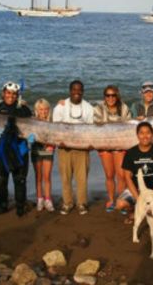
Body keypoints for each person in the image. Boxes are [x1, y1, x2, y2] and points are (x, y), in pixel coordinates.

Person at [0, 81, 32, 216]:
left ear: (17, 95)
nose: (11, 96)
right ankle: (3, 205)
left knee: (20, 179)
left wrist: (32, 136)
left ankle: (20, 206)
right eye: (8, 93)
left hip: (19, 149)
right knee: (0, 180)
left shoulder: (24, 110)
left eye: (14, 94)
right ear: (3, 93)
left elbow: (32, 127)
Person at [52, 80, 94, 215]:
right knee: (66, 177)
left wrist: (89, 144)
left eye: (79, 90)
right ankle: (67, 203)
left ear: (83, 91)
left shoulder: (88, 107)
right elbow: (55, 128)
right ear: (70, 91)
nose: (77, 92)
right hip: (64, 148)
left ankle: (82, 203)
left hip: (82, 149)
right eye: (74, 90)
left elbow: (91, 129)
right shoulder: (60, 107)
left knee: (82, 178)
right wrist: (60, 142)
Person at [117, 122, 153, 224]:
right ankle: (133, 212)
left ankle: (152, 213)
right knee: (120, 204)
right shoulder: (130, 153)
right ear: (137, 135)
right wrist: (139, 199)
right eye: (141, 133)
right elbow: (127, 178)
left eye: (148, 133)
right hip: (137, 189)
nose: (145, 136)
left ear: (152, 135)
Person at [94, 85, 132, 212]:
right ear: (104, 97)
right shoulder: (99, 108)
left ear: (117, 95)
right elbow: (96, 127)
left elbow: (129, 127)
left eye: (113, 95)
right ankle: (111, 199)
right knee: (109, 175)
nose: (110, 98)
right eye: (107, 95)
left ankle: (121, 199)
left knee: (121, 175)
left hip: (120, 145)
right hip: (105, 145)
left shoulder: (124, 108)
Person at [32, 98, 55, 212]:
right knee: (38, 177)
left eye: (45, 109)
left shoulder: (52, 122)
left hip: (47, 150)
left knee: (47, 176)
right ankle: (39, 199)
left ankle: (48, 199)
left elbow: (56, 136)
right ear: (37, 110)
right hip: (36, 149)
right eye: (41, 109)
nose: (43, 112)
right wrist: (30, 139)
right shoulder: (32, 121)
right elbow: (29, 137)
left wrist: (52, 146)